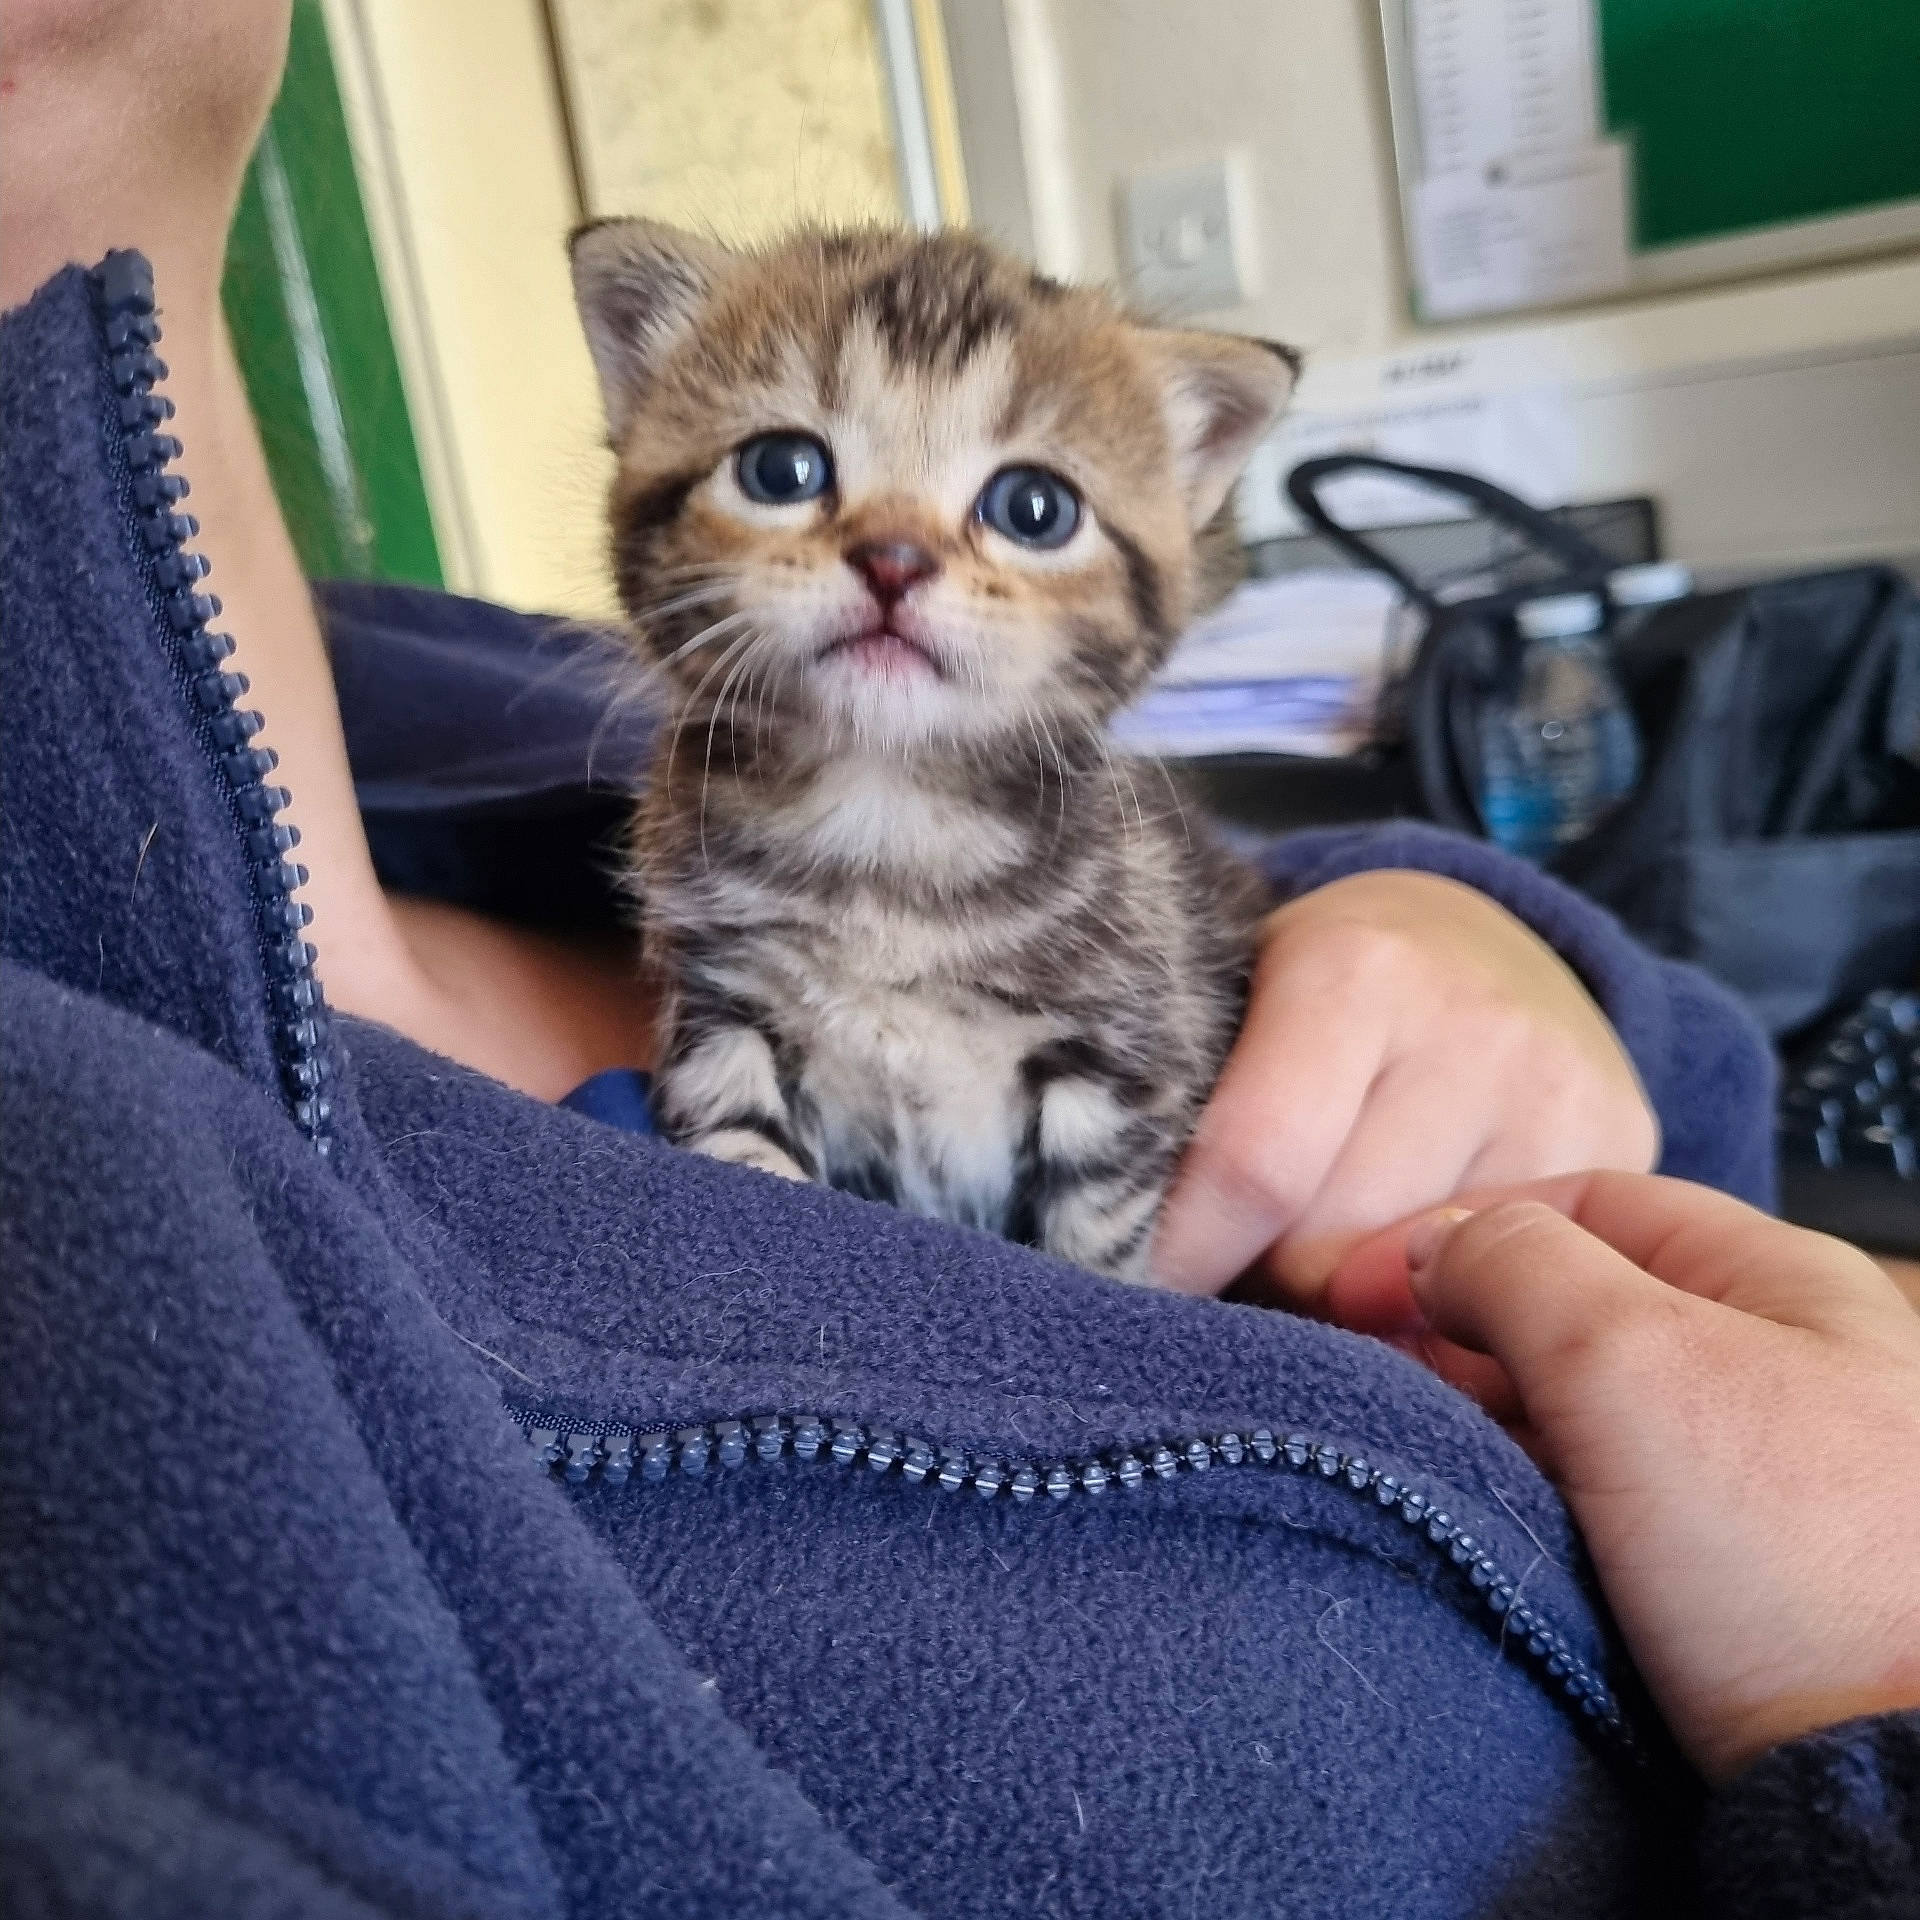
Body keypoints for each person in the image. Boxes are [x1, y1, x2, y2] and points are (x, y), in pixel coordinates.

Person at [1, 5, 1913, 1916]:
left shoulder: (423, 682)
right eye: (786, 466)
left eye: (1023, 508)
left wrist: (1486, 922)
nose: (902, 553)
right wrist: (1867, 1719)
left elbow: (1642, 1093)